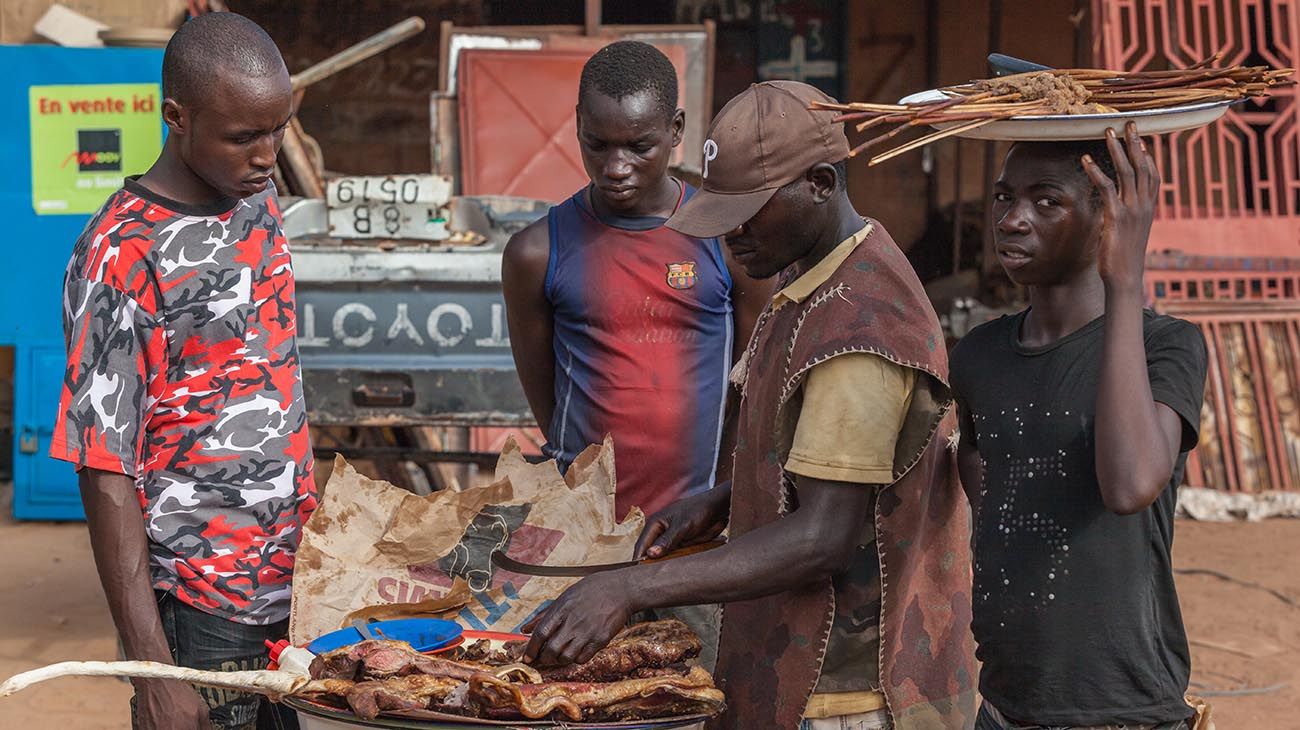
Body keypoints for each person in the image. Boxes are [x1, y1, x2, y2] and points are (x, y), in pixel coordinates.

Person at [522, 80, 977, 730]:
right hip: (794, 672)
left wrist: (628, 587)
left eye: (748, 212)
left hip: (846, 694)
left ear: (820, 183)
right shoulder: (809, 273)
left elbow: (823, 535)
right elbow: (835, 462)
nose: (730, 235)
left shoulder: (861, 331)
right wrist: (726, 498)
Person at [49, 13, 315, 730]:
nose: (267, 156)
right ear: (175, 117)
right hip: (201, 614)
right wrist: (154, 670)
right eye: (242, 137)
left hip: (298, 587)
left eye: (277, 130)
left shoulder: (255, 203)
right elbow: (105, 469)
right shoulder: (121, 257)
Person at [501, 40, 770, 669]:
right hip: (578, 547)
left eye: (639, 146)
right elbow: (548, 397)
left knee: (692, 696)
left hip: (693, 547)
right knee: (564, 698)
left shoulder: (726, 242)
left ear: (676, 132)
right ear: (577, 126)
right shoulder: (537, 252)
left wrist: (721, 499)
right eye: (597, 144)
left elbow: (750, 382)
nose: (615, 165)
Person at [950, 123, 1209, 729]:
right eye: (1003, 197)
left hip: (1121, 709)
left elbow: (1130, 486)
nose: (1013, 219)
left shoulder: (1165, 346)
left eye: (1047, 201)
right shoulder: (978, 356)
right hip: (1006, 707)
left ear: (1107, 219)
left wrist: (1125, 282)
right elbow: (985, 485)